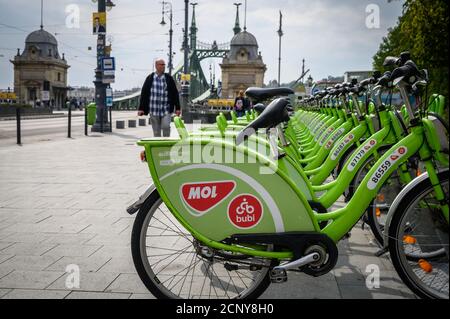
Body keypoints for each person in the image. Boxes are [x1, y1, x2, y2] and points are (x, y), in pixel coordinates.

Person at [138, 58, 181, 137]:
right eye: (162, 65)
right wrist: (141, 109)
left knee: (166, 126)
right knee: (156, 132)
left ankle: (166, 143)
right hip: (153, 109)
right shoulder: (150, 78)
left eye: (164, 65)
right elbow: (144, 94)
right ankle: (157, 148)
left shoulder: (168, 78)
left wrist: (178, 108)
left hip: (166, 109)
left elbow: (175, 93)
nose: (164, 66)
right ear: (156, 66)